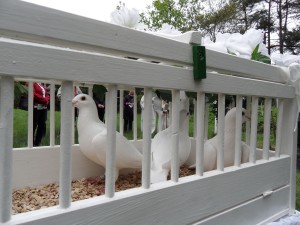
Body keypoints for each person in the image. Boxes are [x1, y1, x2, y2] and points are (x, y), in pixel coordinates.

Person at [32, 82, 50, 146]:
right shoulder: (33, 83)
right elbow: (33, 94)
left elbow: (47, 95)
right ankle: (31, 142)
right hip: (36, 108)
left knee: (42, 125)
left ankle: (38, 143)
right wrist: (44, 100)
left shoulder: (42, 84)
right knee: (33, 125)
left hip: (44, 108)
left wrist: (46, 100)